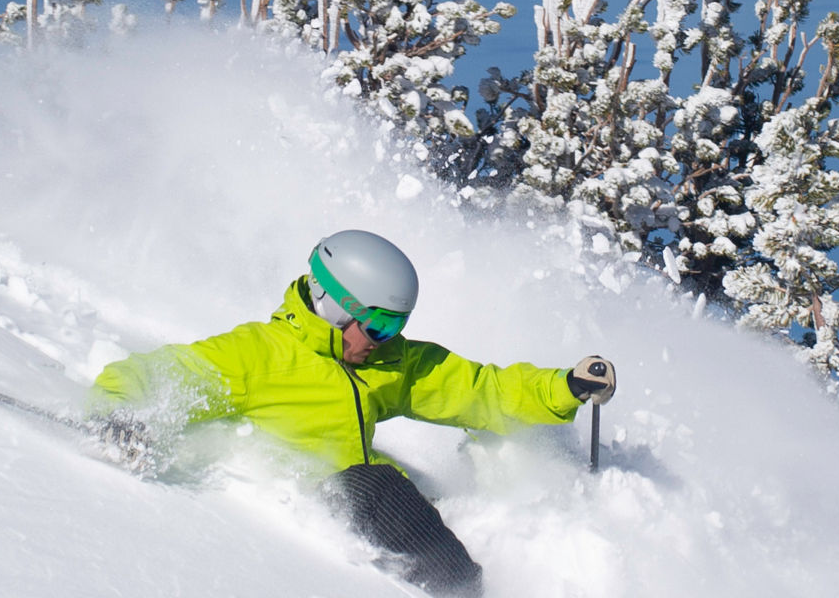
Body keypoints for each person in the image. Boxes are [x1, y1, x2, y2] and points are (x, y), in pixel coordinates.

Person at [91, 229, 617, 597]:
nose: (386, 341)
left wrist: (563, 388)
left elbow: (480, 390)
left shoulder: (389, 363)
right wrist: (123, 417)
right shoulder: (259, 354)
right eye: (379, 325)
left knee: (417, 494)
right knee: (377, 484)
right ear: (335, 306)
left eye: (397, 326)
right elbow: (154, 375)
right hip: (310, 498)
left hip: (372, 504)